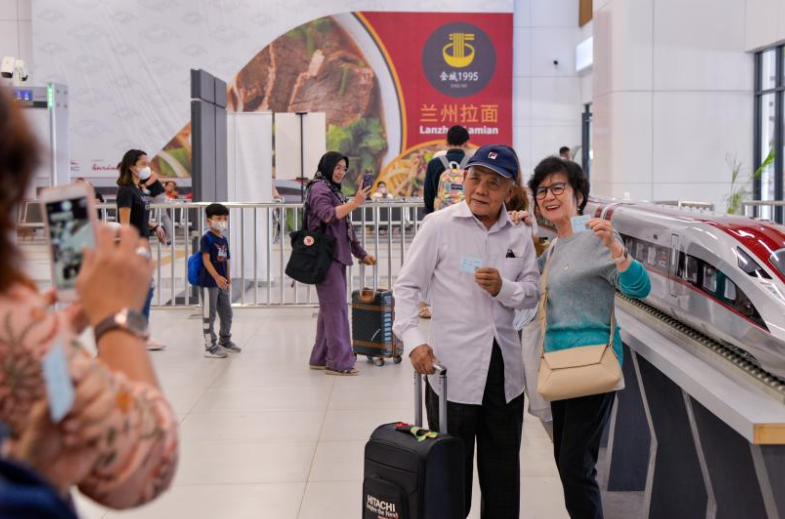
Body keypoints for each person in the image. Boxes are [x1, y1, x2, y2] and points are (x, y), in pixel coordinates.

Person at [0, 92, 178, 510]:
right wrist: (117, 320)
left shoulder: (28, 325)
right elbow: (144, 465)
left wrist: (60, 331)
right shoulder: (16, 321)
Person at [394, 145, 540, 519]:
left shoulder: (519, 234)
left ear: (509, 190)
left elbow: (532, 294)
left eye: (494, 183)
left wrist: (503, 289)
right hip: (450, 371)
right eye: (475, 178)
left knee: (502, 476)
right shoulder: (439, 226)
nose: (481, 189)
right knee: (449, 478)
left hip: (505, 374)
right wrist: (413, 342)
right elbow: (407, 287)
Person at [526, 156, 650, 519]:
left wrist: (618, 249)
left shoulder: (597, 237)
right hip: (558, 365)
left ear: (578, 194)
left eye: (558, 187)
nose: (549, 196)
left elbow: (640, 287)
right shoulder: (553, 248)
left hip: (592, 361)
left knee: (575, 464)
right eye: (541, 191)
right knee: (569, 462)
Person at [306, 151, 375, 376]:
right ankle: (339, 362)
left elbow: (344, 226)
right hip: (325, 259)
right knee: (336, 311)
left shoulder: (333, 190)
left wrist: (360, 253)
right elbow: (327, 215)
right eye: (337, 167)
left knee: (330, 310)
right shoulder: (318, 189)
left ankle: (320, 357)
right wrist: (355, 202)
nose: (341, 172)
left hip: (336, 256)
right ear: (327, 166)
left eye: (344, 169)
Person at [116, 149, 167, 351]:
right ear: (131, 167)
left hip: (144, 244)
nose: (147, 167)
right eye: (143, 163)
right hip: (136, 248)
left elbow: (141, 218)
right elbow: (125, 224)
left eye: (147, 163)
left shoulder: (138, 190)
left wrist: (154, 226)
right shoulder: (126, 191)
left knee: (146, 290)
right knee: (142, 291)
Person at [197, 203, 239, 358]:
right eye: (218, 218)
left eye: (225, 218)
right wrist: (216, 277)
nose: (222, 221)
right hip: (209, 283)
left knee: (227, 312)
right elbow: (206, 259)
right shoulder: (206, 238)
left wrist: (228, 276)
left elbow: (227, 258)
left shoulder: (223, 238)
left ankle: (225, 339)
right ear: (209, 220)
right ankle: (210, 346)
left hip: (223, 283)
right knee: (210, 314)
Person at [424, 125, 471, 214]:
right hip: (466, 214)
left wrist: (429, 213)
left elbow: (428, 195)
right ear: (467, 143)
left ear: (447, 142)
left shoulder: (434, 163)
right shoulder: (472, 163)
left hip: (441, 215)